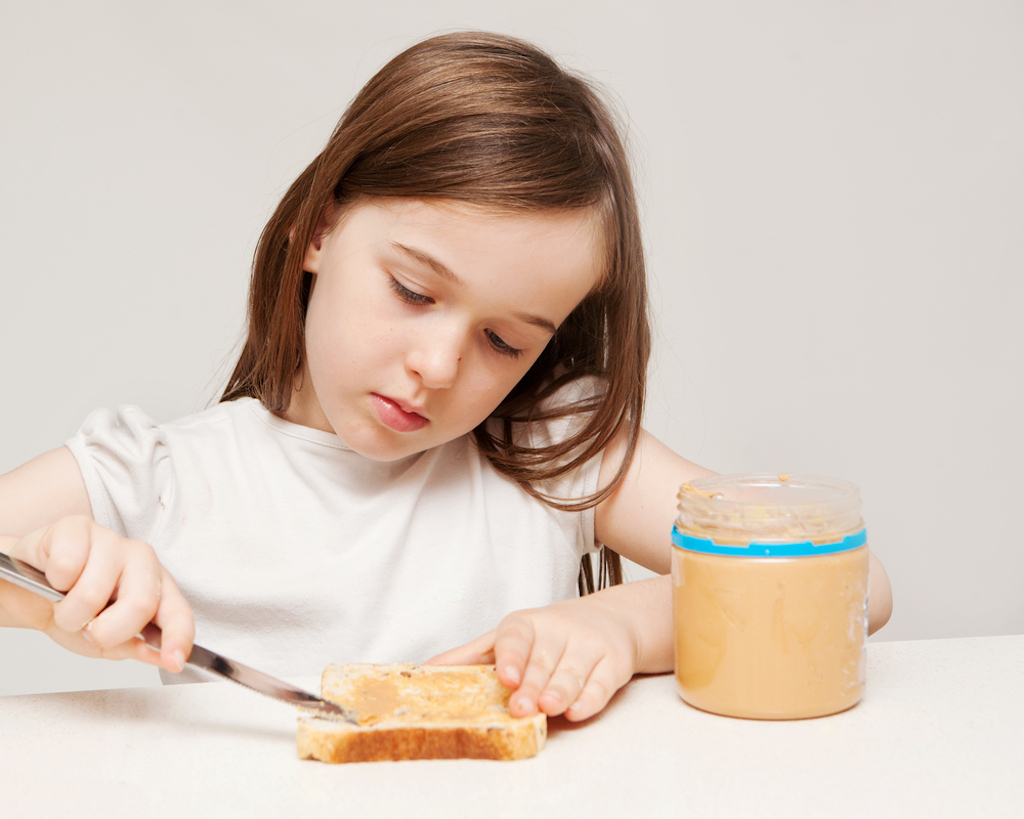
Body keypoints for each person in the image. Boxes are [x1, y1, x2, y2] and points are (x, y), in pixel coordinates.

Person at [0, 31, 892, 722]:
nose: (438, 365)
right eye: (413, 289)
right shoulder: (162, 478)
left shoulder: (551, 454)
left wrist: (618, 626)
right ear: (319, 227)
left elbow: (858, 581)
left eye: (505, 342)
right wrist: (51, 590)